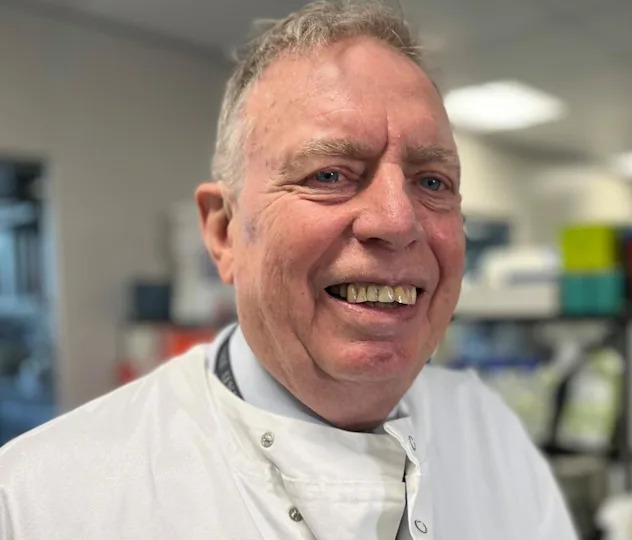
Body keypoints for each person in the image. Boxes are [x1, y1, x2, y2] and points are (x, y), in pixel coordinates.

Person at [0, 2, 578, 538]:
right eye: (329, 174)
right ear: (223, 231)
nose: (398, 221)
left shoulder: (494, 439)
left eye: (432, 182)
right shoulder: (44, 502)